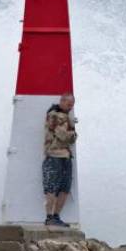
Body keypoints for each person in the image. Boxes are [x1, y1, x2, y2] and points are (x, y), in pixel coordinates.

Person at [42, 93, 77, 226]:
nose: (70, 107)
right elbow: (64, 136)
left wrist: (71, 133)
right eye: (69, 104)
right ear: (62, 101)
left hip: (66, 156)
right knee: (52, 187)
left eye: (72, 105)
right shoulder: (54, 115)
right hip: (54, 156)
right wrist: (72, 132)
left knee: (64, 188)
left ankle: (56, 216)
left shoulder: (67, 117)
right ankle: (50, 217)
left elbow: (71, 137)